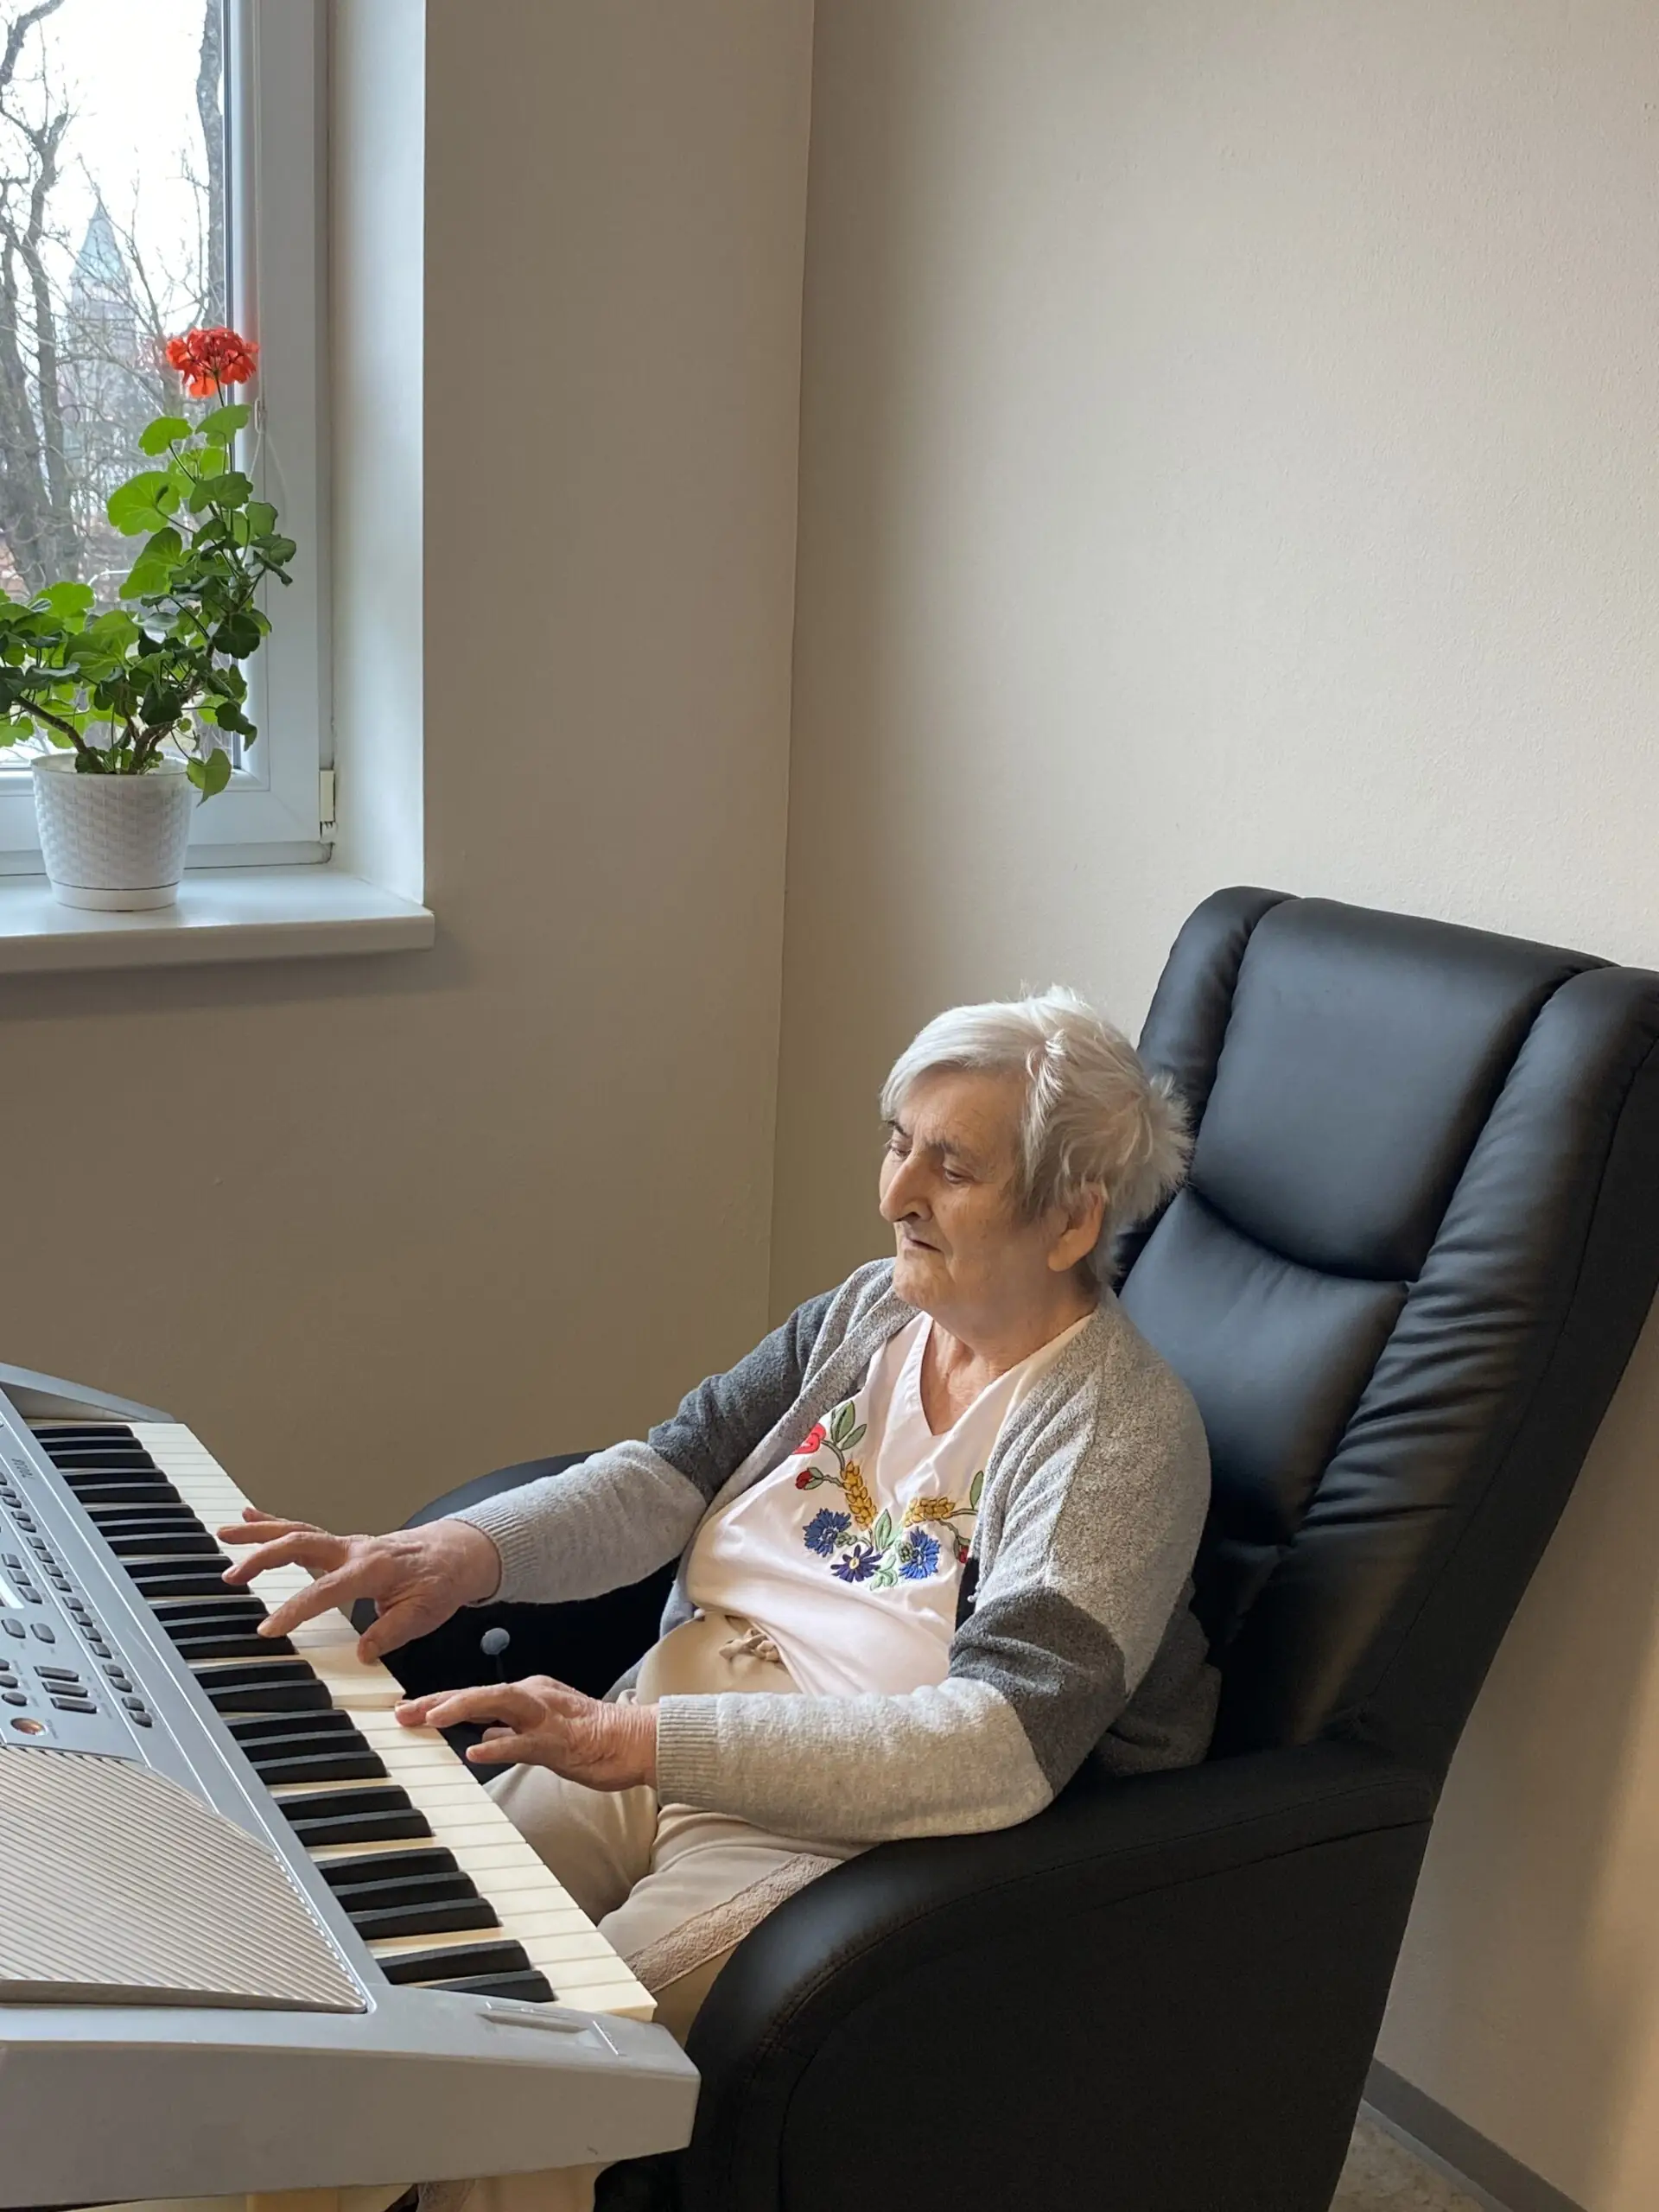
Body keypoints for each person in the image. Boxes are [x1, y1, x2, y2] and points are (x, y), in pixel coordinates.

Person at [224, 988, 1219, 2211]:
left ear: (1071, 1219)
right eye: (897, 1143)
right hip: (658, 1722)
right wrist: (455, 1554)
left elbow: (1002, 1744)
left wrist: (641, 1741)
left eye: (950, 1167)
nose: (895, 1194)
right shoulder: (869, 1312)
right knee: (378, 1992)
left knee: (524, 2088)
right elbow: (665, 1475)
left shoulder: (1120, 1436)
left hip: (836, 1827)